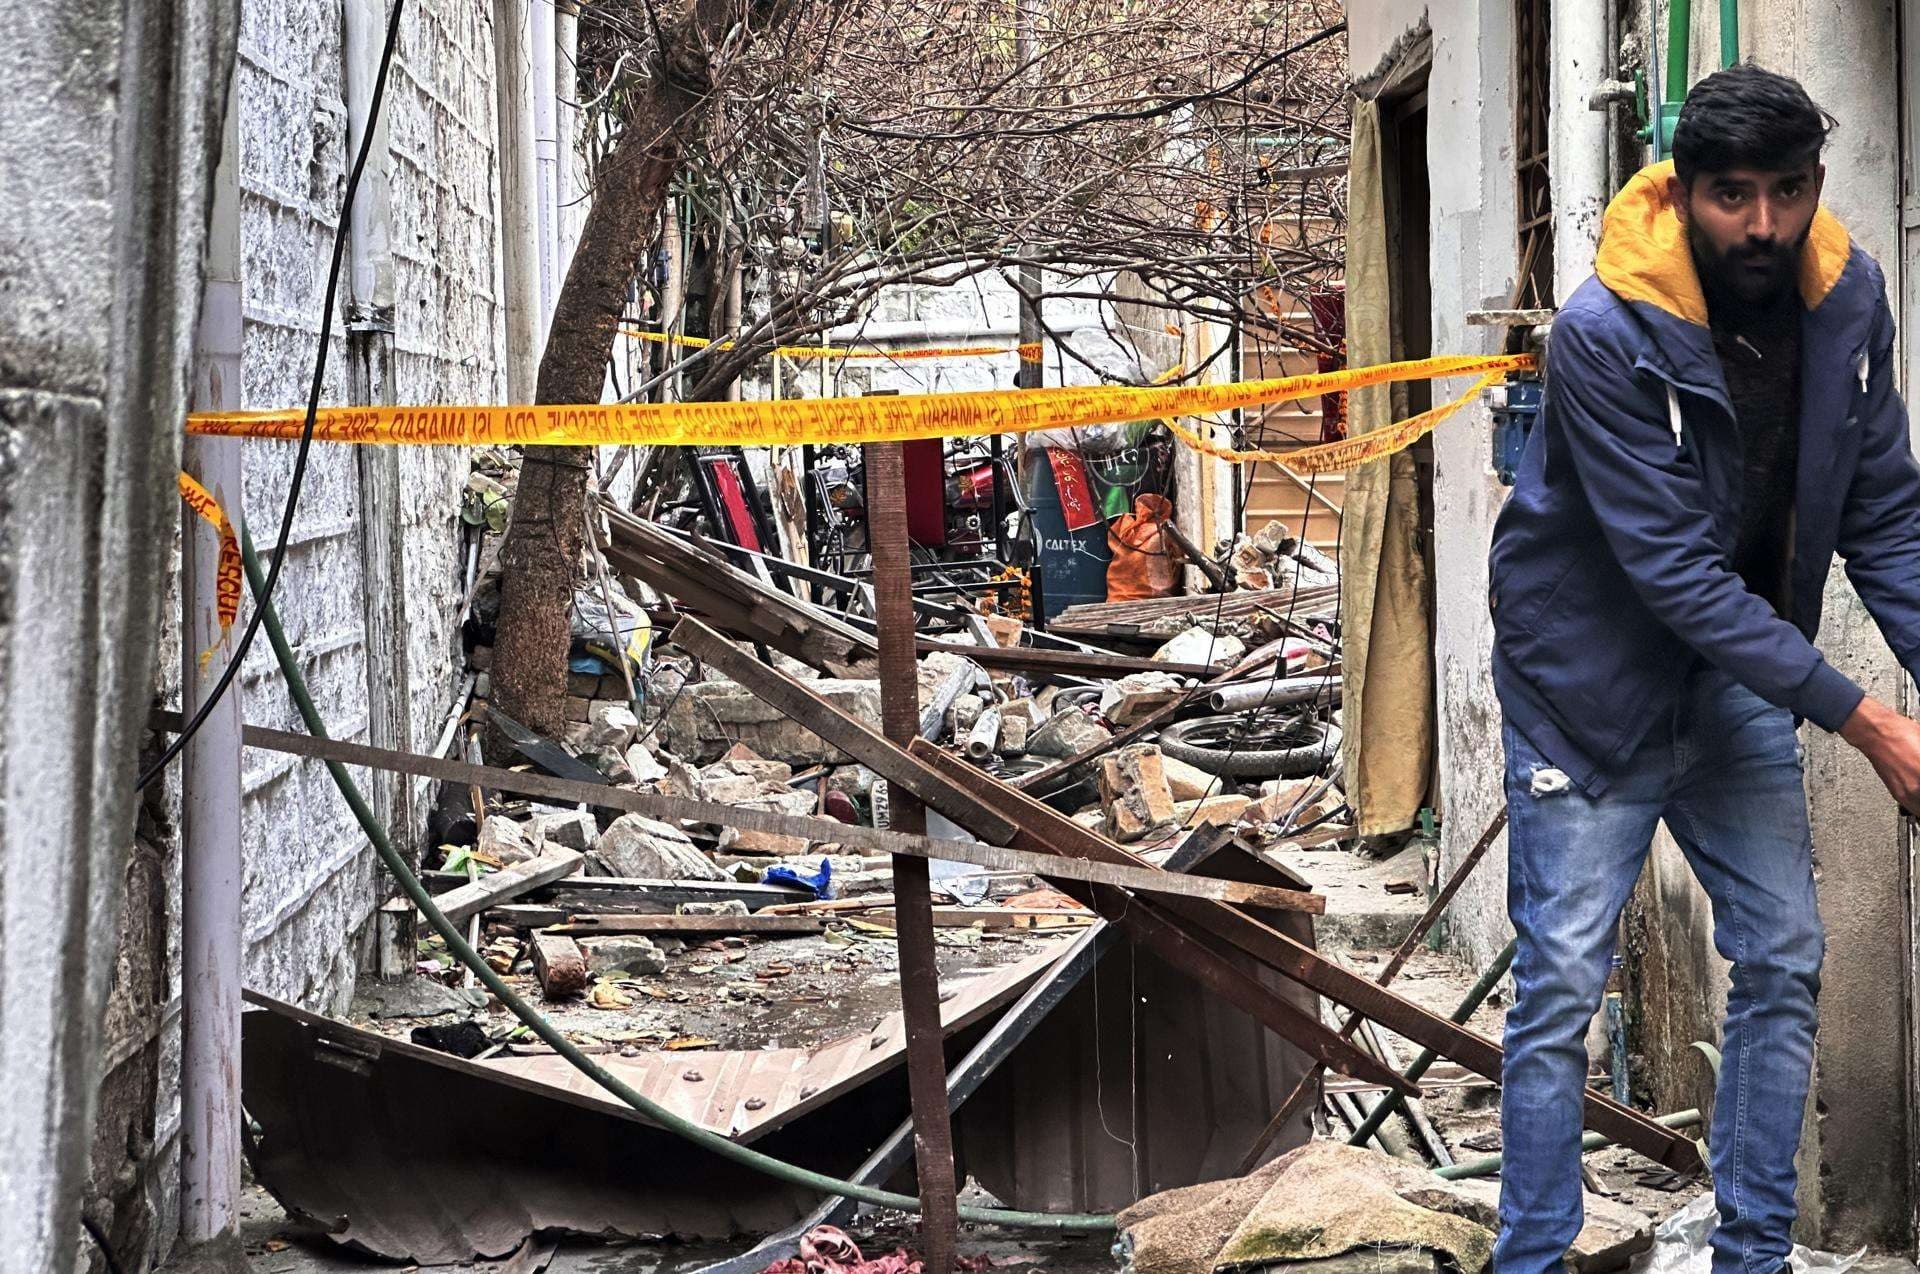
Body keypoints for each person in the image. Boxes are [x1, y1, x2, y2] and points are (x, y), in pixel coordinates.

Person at [1487, 64, 1920, 1274]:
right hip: (1588, 687)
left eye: (1788, 191)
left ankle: (1753, 1255)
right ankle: (1532, 1259)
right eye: (1735, 196)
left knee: (1783, 952)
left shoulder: (1845, 303)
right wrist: (1871, 722)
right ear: (1683, 193)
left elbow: (1884, 510)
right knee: (1563, 988)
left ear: (1816, 184)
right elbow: (1673, 575)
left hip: (1729, 676)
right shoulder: (1602, 333)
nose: (1766, 226)